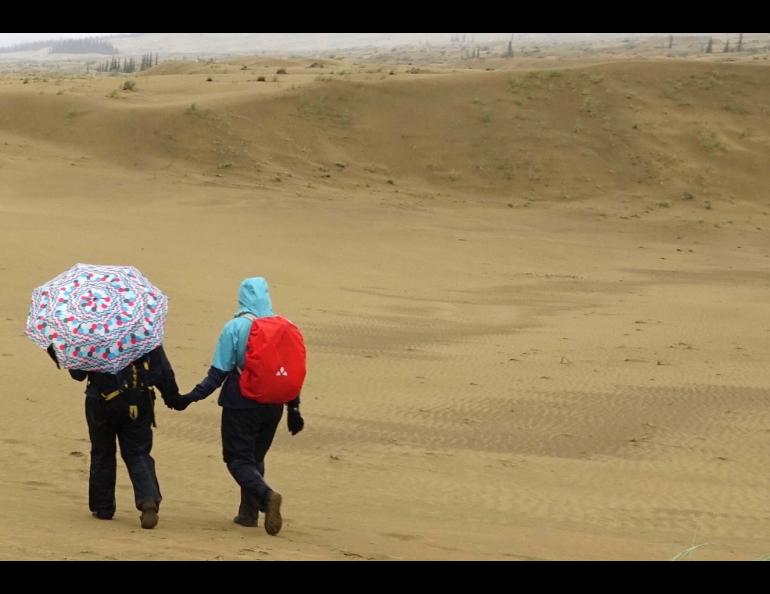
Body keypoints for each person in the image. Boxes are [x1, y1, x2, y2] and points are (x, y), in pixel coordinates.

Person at [167, 277, 305, 536]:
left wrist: (189, 398)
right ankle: (248, 514)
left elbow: (217, 374)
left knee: (237, 459)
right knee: (255, 458)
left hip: (241, 404)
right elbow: (290, 373)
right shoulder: (284, 327)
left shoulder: (235, 327)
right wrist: (294, 409)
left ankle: (266, 496)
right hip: (273, 405)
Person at [49, 343, 180, 529]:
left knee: (102, 452)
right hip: (138, 399)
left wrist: (56, 352)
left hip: (100, 401)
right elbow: (162, 371)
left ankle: (103, 507)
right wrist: (173, 398)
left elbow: (77, 374)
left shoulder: (92, 333)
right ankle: (148, 499)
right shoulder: (144, 333)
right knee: (138, 453)